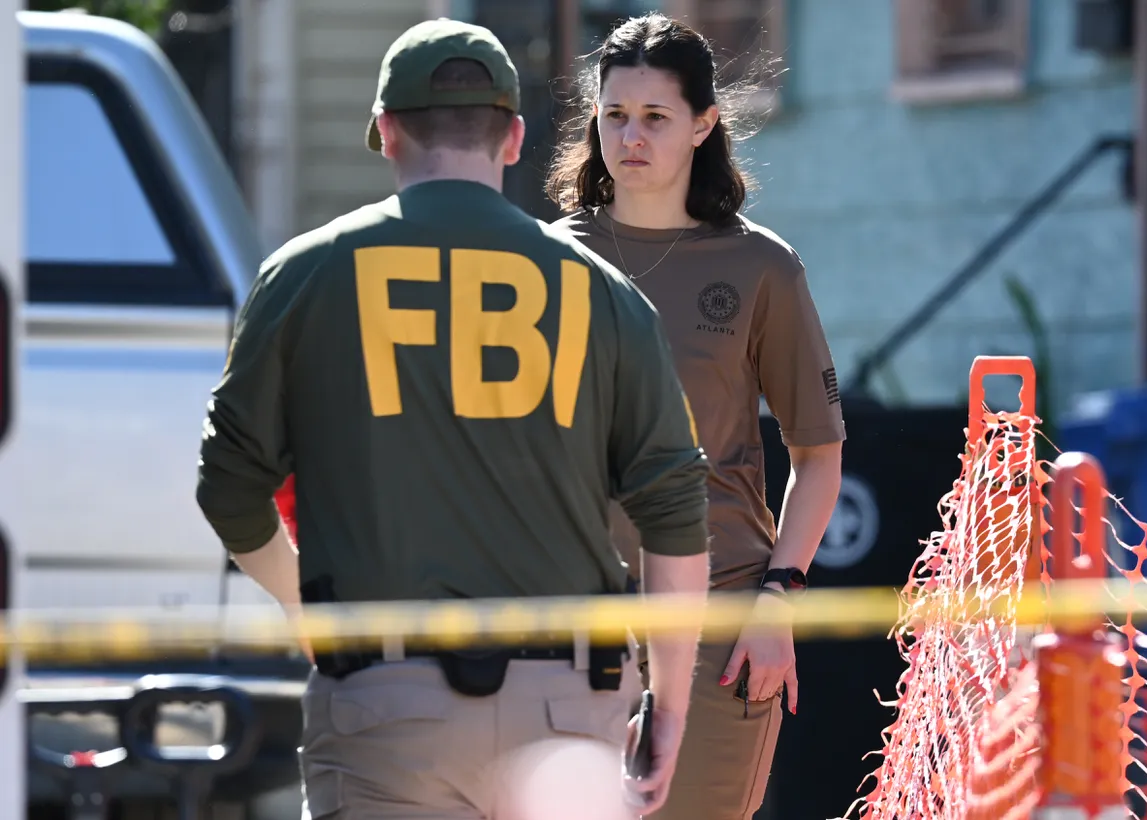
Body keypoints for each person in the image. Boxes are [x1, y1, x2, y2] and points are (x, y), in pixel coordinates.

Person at [195, 18, 711, 819]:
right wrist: (671, 708)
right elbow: (676, 518)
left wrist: (309, 608)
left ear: (387, 132)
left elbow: (228, 487)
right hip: (569, 712)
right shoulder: (607, 295)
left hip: (382, 705)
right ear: (512, 138)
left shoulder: (304, 276)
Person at [546, 13, 846, 819]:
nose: (629, 137)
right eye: (613, 114)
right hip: (568, 628)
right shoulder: (541, 263)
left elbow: (819, 456)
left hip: (720, 618)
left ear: (704, 124)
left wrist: (778, 599)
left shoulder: (762, 267)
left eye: (654, 117)